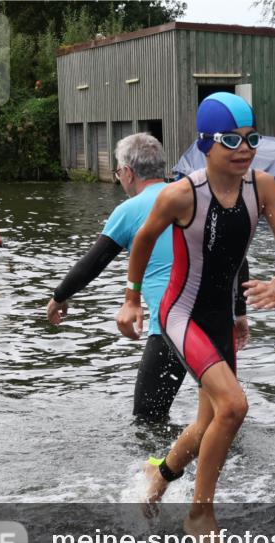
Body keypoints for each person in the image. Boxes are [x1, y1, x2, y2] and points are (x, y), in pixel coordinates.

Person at [116, 93, 275, 543]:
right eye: (231, 140)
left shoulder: (263, 187)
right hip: (180, 314)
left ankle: (159, 475)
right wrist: (131, 300)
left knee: (209, 422)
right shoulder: (182, 195)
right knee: (235, 407)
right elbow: (141, 243)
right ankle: (200, 512)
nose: (244, 149)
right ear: (205, 144)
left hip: (220, 319)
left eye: (251, 139)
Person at [46, 132, 251, 421]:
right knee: (224, 414)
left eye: (118, 172)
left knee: (148, 417)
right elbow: (236, 256)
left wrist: (58, 297)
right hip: (218, 324)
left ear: (128, 173)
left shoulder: (130, 210)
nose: (119, 179)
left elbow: (93, 263)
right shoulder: (195, 197)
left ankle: (162, 466)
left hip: (173, 327)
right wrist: (239, 312)